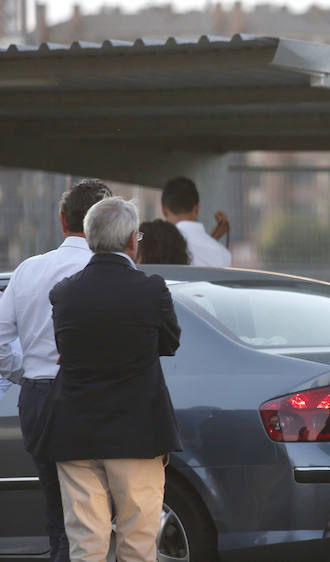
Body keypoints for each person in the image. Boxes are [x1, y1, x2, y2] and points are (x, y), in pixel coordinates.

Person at [33, 197, 182, 562]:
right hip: (138, 434)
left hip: (74, 433)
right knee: (137, 539)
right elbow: (170, 342)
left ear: (88, 237)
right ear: (133, 240)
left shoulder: (64, 292)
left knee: (86, 543)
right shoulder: (151, 290)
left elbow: (64, 349)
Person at [0, 178, 111, 562]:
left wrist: (25, 373)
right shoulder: (112, 273)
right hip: (93, 397)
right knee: (95, 510)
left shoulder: (28, 270)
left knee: (57, 506)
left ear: (63, 221)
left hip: (37, 399)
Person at [161, 176, 231, 267]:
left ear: (164, 210)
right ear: (197, 207)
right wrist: (212, 239)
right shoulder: (223, 254)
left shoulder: (158, 247)